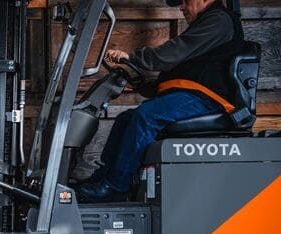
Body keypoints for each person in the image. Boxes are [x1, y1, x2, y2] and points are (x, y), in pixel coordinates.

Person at [77, 0, 245, 201]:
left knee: (147, 115)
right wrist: (139, 82)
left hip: (209, 100)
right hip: (192, 95)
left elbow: (172, 53)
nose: (181, 7)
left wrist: (131, 57)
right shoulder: (206, 23)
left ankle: (116, 186)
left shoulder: (219, 20)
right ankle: (103, 178)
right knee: (125, 119)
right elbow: (177, 72)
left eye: (184, 1)